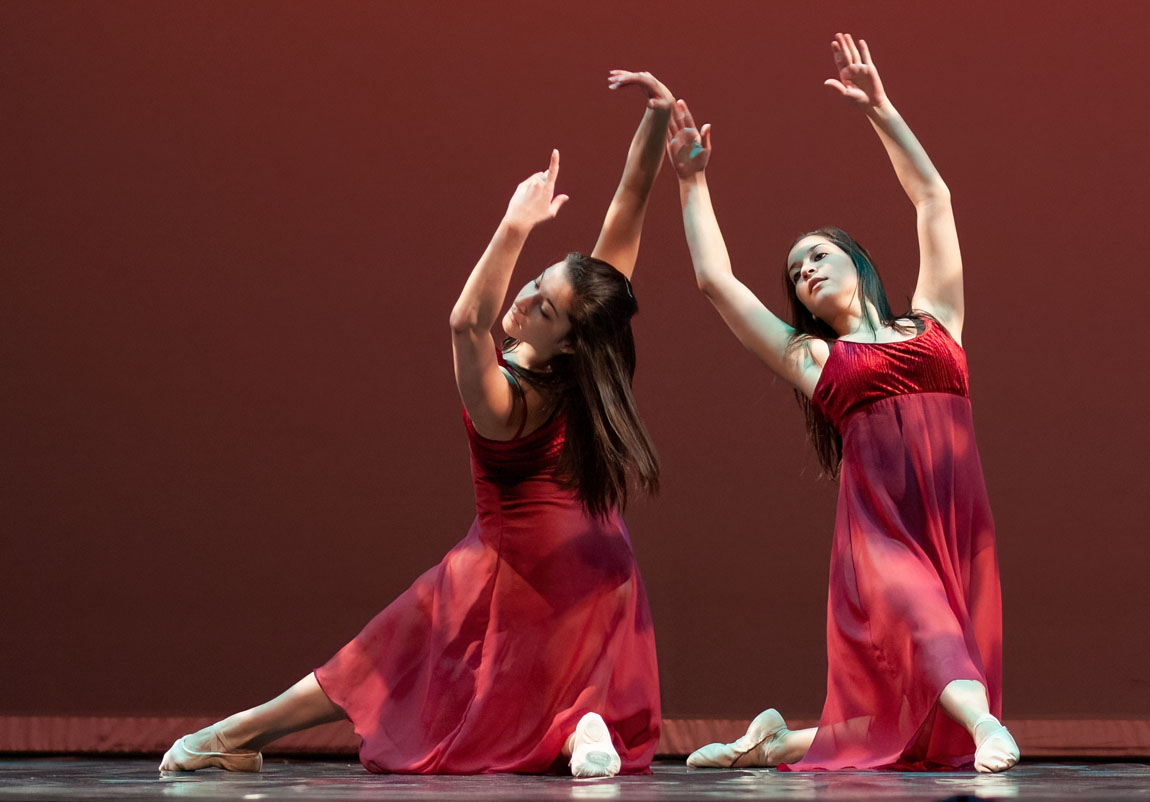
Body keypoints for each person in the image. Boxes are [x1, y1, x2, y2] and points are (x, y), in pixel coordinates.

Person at [159, 69, 675, 778]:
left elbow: (466, 321)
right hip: (603, 564)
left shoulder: (511, 400)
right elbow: (628, 207)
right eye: (536, 283)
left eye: (544, 307)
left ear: (568, 340)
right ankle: (585, 726)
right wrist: (657, 116)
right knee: (522, 671)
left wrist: (515, 225)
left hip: (524, 568)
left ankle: (234, 733)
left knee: (384, 652)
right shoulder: (589, 358)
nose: (525, 299)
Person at [668, 34, 1019, 772]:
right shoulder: (816, 360)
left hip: (956, 520)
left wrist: (881, 111)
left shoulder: (936, 320)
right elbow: (716, 283)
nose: (805, 273)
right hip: (879, 531)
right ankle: (990, 726)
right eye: (795, 272)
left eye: (818, 256)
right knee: (928, 630)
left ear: (857, 261)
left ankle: (777, 743)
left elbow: (934, 199)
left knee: (930, 733)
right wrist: (692, 183)